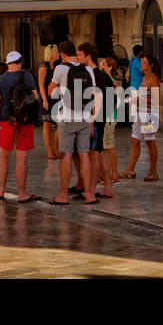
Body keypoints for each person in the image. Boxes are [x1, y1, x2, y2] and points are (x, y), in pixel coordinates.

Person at [0, 51, 42, 202]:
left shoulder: (0, 80)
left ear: (7, 64)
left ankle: (0, 191)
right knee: (21, 158)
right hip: (25, 121)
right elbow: (36, 98)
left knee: (3, 156)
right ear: (20, 62)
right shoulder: (27, 76)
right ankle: (22, 193)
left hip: (6, 120)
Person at [49, 40, 97, 205]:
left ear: (62, 54)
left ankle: (63, 195)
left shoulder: (60, 69)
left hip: (67, 118)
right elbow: (93, 94)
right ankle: (89, 194)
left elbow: (51, 91)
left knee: (67, 155)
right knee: (84, 154)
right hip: (84, 116)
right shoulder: (88, 70)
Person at [78, 43, 115, 199]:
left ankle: (90, 190)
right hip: (101, 117)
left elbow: (97, 98)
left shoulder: (96, 75)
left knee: (94, 153)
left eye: (80, 55)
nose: (78, 57)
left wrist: (94, 119)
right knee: (99, 153)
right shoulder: (100, 75)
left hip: (96, 119)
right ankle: (107, 188)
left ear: (88, 56)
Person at [134, 54, 162, 181]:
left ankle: (153, 171)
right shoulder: (144, 78)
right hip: (141, 113)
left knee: (150, 142)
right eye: (141, 62)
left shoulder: (153, 80)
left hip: (149, 115)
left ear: (151, 65)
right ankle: (130, 169)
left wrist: (139, 100)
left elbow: (156, 100)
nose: (141, 64)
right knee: (136, 140)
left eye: (144, 62)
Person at [121, 45, 146, 179]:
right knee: (136, 117)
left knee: (136, 119)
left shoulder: (131, 60)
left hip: (133, 89)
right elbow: (142, 72)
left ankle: (136, 129)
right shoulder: (136, 61)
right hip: (136, 90)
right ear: (139, 52)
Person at [99, 56, 121, 188]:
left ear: (109, 67)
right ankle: (105, 174)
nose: (101, 64)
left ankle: (115, 175)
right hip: (105, 116)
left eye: (103, 63)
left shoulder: (112, 82)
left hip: (109, 117)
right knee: (103, 147)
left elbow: (115, 102)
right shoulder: (104, 80)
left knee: (109, 146)